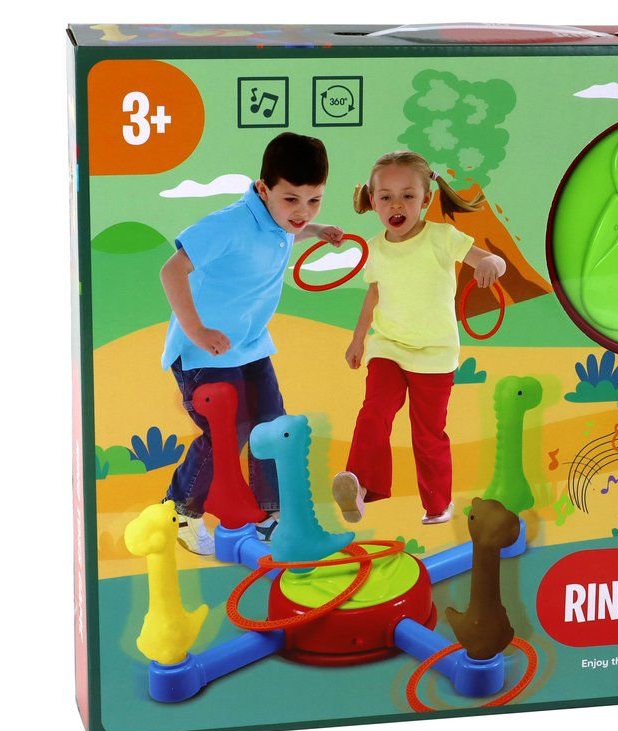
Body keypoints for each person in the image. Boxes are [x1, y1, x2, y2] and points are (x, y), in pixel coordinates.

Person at [159, 133, 343, 554]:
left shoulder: (281, 220)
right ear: (263, 189)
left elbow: (285, 231)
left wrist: (316, 231)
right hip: (203, 351)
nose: (302, 211)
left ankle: (267, 516)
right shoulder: (230, 224)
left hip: (250, 345)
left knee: (272, 425)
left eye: (314, 200)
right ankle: (180, 509)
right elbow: (172, 270)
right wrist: (197, 330)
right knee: (229, 430)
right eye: (291, 199)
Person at [332, 150, 506, 525]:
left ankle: (438, 504)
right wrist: (358, 339)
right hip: (389, 347)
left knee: (428, 434)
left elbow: (489, 259)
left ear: (425, 200)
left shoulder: (442, 237)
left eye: (407, 196)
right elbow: (373, 294)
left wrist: (492, 264)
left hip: (435, 354)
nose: (397, 205)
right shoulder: (375, 247)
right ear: (373, 201)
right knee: (374, 413)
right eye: (386, 196)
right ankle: (359, 487)